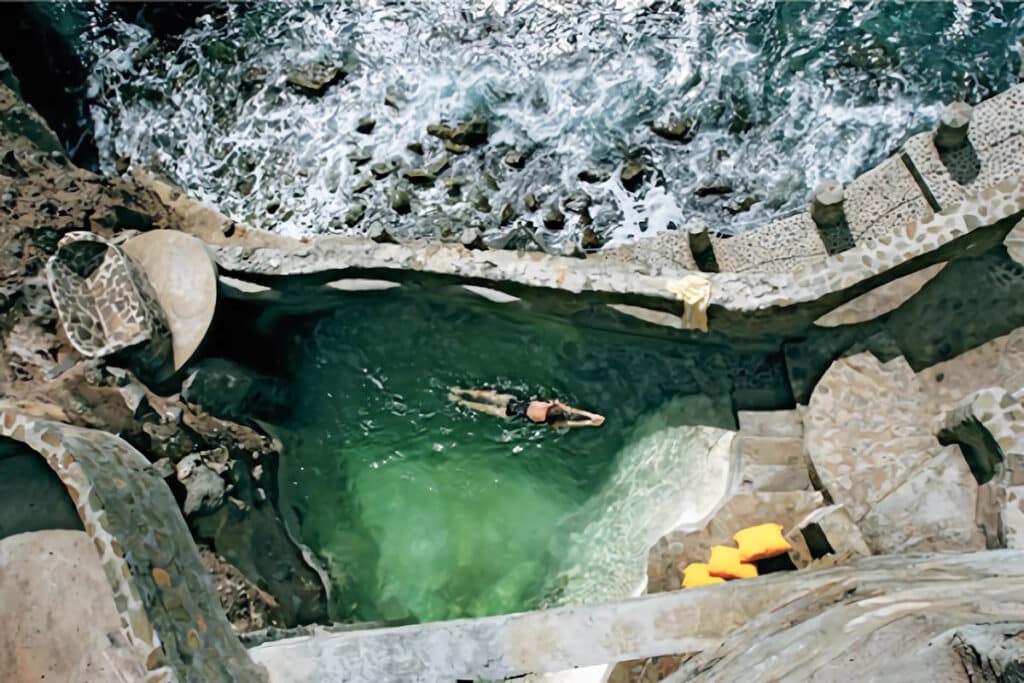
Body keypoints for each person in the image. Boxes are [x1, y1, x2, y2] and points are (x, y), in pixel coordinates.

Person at [447, 387, 605, 428]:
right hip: (512, 411)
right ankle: (461, 400)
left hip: (514, 404)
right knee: (487, 406)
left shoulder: (550, 406)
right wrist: (589, 419)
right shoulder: (551, 420)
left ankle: (461, 393)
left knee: (490, 397)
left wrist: (590, 417)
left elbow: (571, 413)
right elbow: (570, 418)